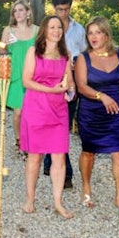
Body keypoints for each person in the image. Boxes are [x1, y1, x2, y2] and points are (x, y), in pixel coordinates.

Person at [74, 16, 119, 219]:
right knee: (89, 152)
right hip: (91, 113)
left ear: (106, 34)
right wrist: (101, 96)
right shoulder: (83, 58)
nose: (93, 37)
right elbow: (81, 86)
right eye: (90, 33)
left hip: (115, 113)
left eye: (98, 32)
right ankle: (86, 188)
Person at [20, 15, 75, 219]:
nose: (56, 31)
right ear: (44, 29)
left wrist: (70, 91)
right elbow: (26, 81)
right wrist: (51, 90)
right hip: (36, 107)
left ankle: (58, 202)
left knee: (59, 156)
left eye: (59, 27)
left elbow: (69, 82)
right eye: (52, 27)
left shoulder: (65, 55)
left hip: (58, 110)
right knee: (35, 156)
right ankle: (30, 198)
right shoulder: (33, 52)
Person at [44, 0, 87, 188]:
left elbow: (86, 56)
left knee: (64, 125)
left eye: (66, 9)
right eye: (60, 9)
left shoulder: (79, 30)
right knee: (55, 124)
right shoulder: (47, 29)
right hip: (51, 83)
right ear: (54, 8)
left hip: (72, 83)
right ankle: (64, 171)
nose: (63, 13)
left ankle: (51, 160)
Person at [0, 0, 38, 157]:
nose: (18, 14)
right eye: (15, 11)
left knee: (33, 112)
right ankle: (18, 139)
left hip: (33, 75)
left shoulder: (37, 30)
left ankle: (31, 141)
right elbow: (2, 55)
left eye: (21, 10)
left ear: (28, 12)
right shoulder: (8, 30)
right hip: (15, 75)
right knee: (18, 113)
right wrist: (5, 45)